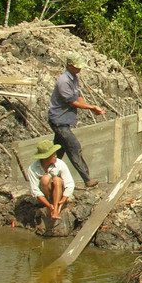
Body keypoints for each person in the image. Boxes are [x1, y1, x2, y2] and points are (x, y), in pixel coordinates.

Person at [48, 52, 105, 187]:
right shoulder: (63, 81)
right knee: (74, 146)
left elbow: (78, 97)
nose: (79, 69)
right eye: (77, 67)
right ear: (69, 65)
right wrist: (91, 107)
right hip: (58, 120)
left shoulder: (74, 78)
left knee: (58, 151)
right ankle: (87, 179)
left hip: (65, 121)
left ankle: (48, 175)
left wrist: (91, 107)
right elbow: (71, 101)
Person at [27, 139, 75, 220]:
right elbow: (35, 190)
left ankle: (55, 209)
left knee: (57, 180)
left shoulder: (60, 164)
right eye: (53, 155)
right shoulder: (33, 168)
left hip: (60, 191)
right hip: (46, 194)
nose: (55, 156)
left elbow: (70, 184)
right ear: (45, 158)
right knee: (45, 179)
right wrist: (48, 205)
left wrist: (63, 199)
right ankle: (51, 204)